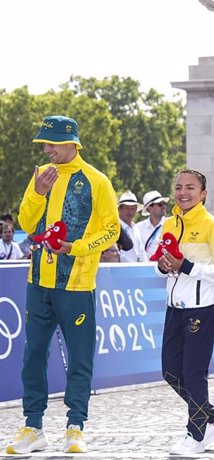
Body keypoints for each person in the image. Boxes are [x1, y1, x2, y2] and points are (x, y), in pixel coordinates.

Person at [7, 115, 120, 454]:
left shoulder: (97, 180)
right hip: (38, 280)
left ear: (72, 143)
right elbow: (27, 224)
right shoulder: (41, 175)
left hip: (77, 283)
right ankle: (33, 426)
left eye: (51, 143)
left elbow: (112, 230)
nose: (46, 149)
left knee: (80, 358)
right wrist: (38, 193)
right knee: (33, 355)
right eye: (44, 143)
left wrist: (77, 248)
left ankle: (75, 426)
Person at [154, 169, 214, 455]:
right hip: (175, 307)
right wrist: (164, 267)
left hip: (204, 308)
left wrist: (185, 265)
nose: (183, 192)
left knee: (193, 373)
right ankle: (212, 419)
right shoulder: (169, 224)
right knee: (171, 372)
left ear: (203, 194)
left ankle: (196, 433)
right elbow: (165, 262)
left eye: (190, 187)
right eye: (178, 187)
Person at [136, 190, 169, 260]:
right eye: (160, 204)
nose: (163, 206)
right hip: (146, 269)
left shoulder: (172, 224)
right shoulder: (138, 228)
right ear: (149, 208)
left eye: (164, 203)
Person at [117, 191, 146, 262]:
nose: (130, 212)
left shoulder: (136, 228)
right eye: (126, 208)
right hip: (121, 269)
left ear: (136, 210)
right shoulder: (115, 228)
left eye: (132, 209)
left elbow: (141, 252)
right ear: (119, 209)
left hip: (137, 269)